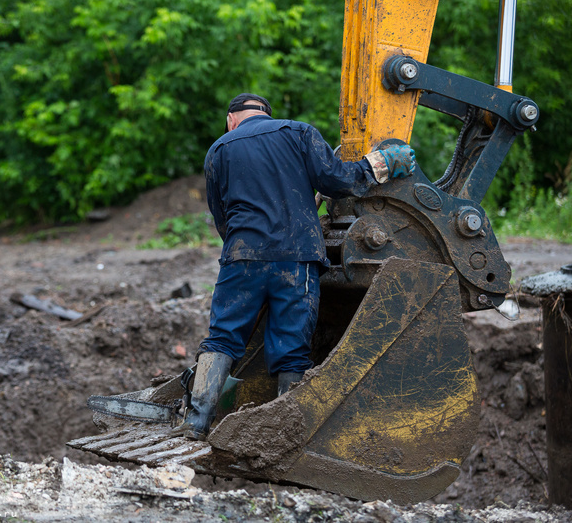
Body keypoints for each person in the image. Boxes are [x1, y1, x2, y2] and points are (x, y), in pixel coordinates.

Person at [173, 93, 416, 441]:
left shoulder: (219, 149)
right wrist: (379, 164)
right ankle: (285, 432)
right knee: (292, 346)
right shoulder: (299, 133)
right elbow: (337, 181)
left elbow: (221, 215)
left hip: (242, 258)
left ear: (231, 119)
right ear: (268, 116)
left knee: (223, 338)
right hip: (296, 259)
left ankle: (197, 422)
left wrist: (244, 246)